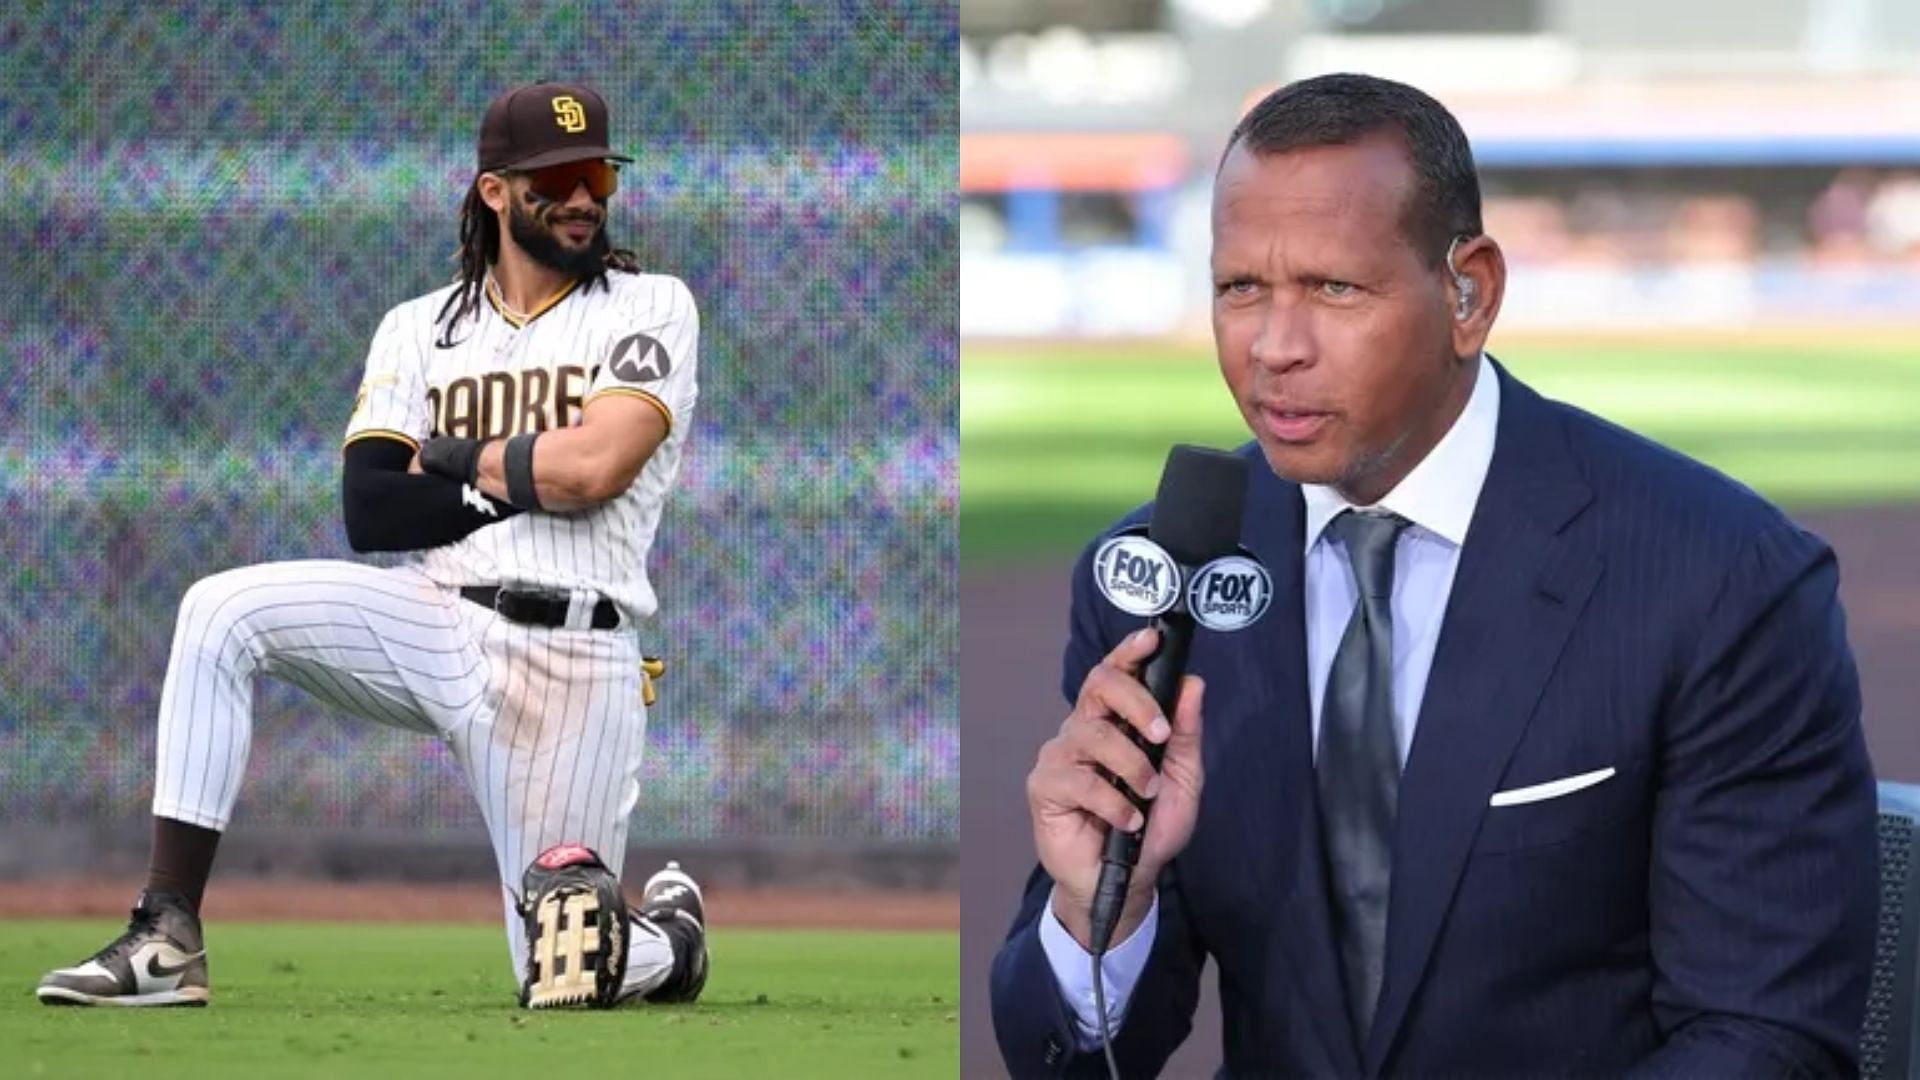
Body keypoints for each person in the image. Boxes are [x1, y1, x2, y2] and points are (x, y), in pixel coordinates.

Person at [992, 73, 1876, 1076]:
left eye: (1335, 289)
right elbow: (1067, 1054)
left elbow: (1768, 1039)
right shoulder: (1161, 576)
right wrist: (1100, 906)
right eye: (1241, 288)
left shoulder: (1718, 578)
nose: (1273, 348)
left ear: (1471, 293)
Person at [37, 81, 709, 1010]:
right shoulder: (419, 326)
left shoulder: (651, 305)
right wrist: (518, 478)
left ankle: (670, 944)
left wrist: (453, 458)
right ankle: (166, 934)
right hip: (433, 618)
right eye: (556, 177)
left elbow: (596, 470)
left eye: (596, 171)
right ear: (495, 192)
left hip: (574, 655)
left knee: (559, 968)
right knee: (219, 612)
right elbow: (373, 510)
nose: (584, 194)